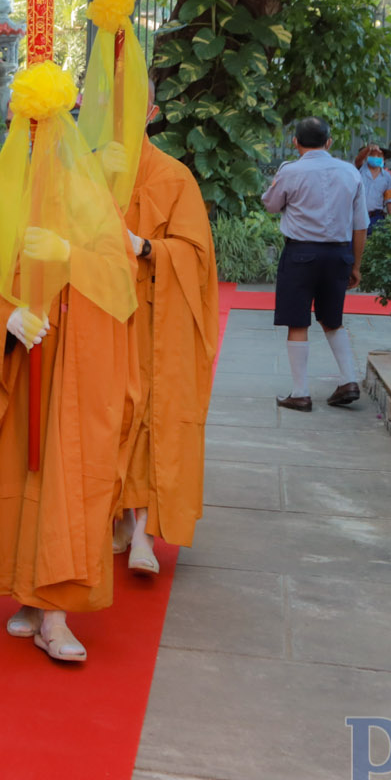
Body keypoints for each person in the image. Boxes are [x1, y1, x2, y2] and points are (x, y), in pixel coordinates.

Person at [0, 71, 136, 666]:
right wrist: (7, 318)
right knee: (17, 478)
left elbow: (120, 281)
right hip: (17, 364)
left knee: (66, 477)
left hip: (75, 363)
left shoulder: (88, 198)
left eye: (46, 128)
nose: (35, 139)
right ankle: (27, 596)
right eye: (24, 128)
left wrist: (68, 257)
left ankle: (55, 614)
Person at [116, 124, 219, 577]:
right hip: (102, 317)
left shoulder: (174, 177)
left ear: (151, 112)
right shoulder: (87, 171)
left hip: (156, 321)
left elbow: (196, 256)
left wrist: (144, 247)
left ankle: (145, 530)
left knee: (153, 417)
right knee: (112, 416)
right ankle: (118, 515)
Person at [261, 117, 370, 411]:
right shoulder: (350, 172)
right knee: (332, 319)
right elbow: (360, 225)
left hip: (301, 254)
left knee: (298, 321)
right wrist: (355, 265)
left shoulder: (290, 171)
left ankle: (300, 393)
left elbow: (271, 205)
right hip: (339, 255)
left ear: (295, 142)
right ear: (329, 142)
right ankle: (348, 380)